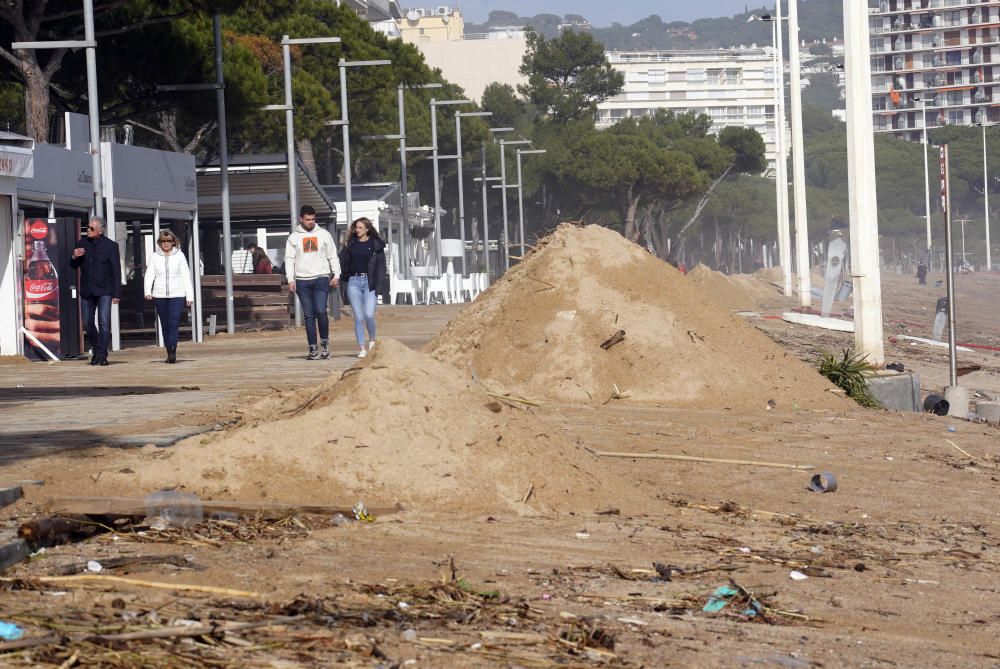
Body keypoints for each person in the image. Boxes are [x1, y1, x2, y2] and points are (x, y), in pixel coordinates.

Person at [284, 205, 340, 360]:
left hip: (321, 278)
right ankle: (313, 348)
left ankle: (325, 343)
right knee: (309, 315)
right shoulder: (293, 238)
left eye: (313, 219)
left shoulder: (324, 235)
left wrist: (336, 274)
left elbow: (333, 255)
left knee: (321, 311)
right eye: (307, 219)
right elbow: (289, 259)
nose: (310, 222)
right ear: (301, 219)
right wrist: (290, 279)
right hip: (302, 281)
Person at [71, 216, 121, 366]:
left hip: (105, 289)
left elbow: (116, 271)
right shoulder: (82, 243)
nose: (88, 230)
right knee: (87, 322)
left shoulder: (111, 246)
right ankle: (98, 349)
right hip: (87, 290)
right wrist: (74, 256)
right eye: (87, 227)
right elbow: (74, 265)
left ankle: (102, 355)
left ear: (100, 230)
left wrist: (117, 294)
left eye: (91, 228)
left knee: (104, 322)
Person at [143, 230, 194, 364]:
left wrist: (189, 295)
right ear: (159, 243)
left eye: (168, 241)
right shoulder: (154, 256)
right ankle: (168, 350)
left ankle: (173, 348)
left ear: (173, 242)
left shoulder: (180, 256)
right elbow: (149, 274)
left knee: (173, 322)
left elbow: (186, 275)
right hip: (159, 295)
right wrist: (147, 290)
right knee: (164, 324)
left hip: (177, 294)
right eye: (163, 241)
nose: (166, 244)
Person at [339, 217, 386, 358]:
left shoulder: (376, 244)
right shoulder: (350, 244)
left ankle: (372, 340)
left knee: (369, 315)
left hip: (369, 283)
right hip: (354, 282)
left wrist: (379, 286)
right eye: (356, 227)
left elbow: (381, 268)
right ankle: (362, 348)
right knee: (358, 317)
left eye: (360, 227)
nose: (357, 230)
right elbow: (342, 261)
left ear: (367, 229)